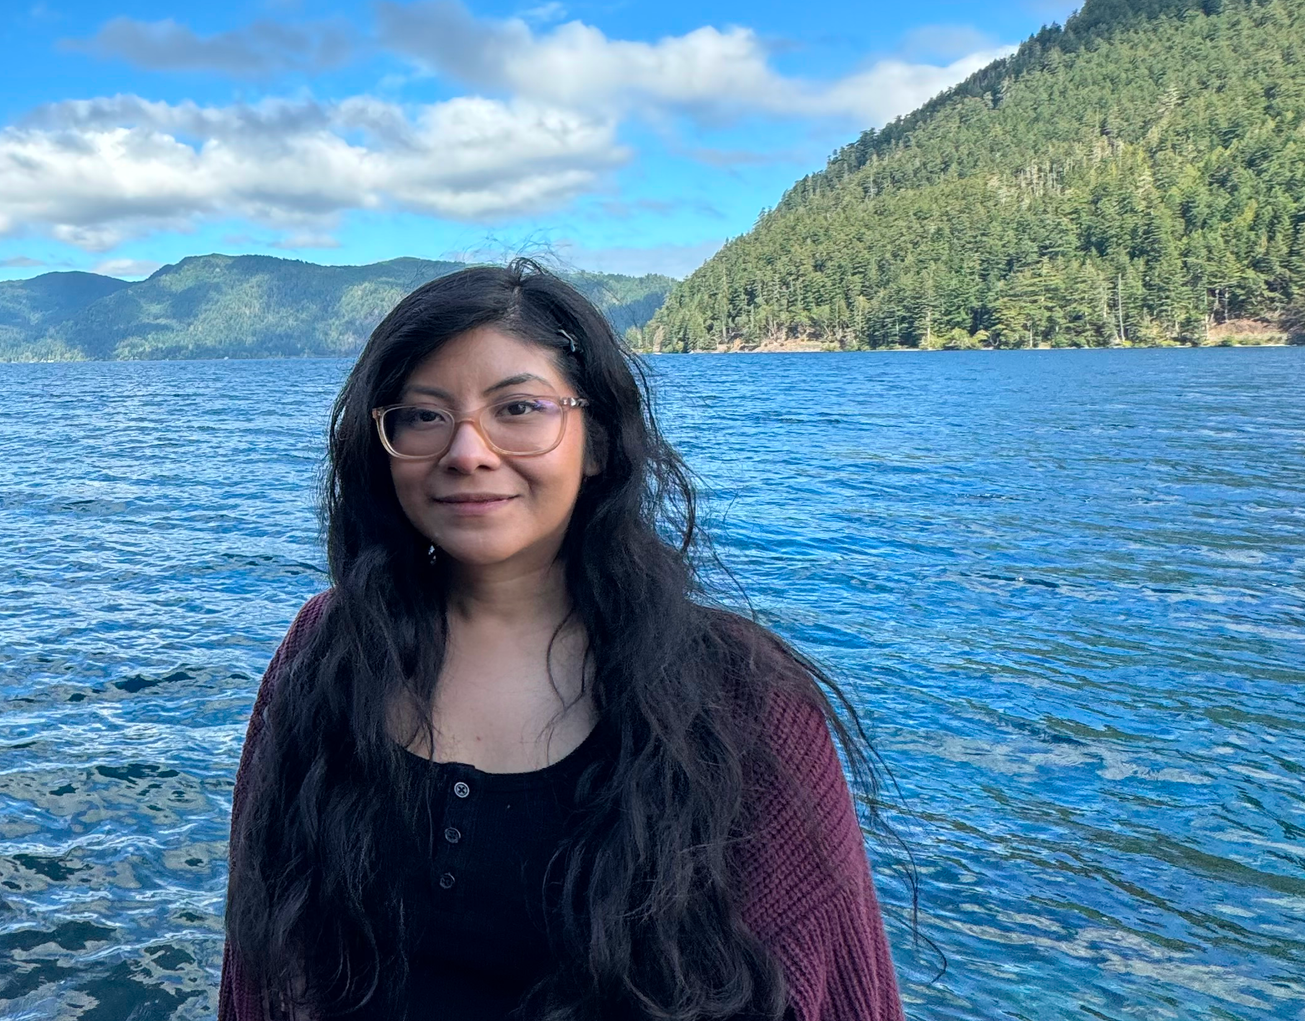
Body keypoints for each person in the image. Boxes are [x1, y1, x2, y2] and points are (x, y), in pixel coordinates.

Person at [219, 262, 903, 1021]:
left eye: (518, 407)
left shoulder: (742, 695)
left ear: (598, 440)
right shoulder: (326, 648)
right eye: (422, 415)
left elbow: (841, 991)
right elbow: (260, 958)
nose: (467, 451)